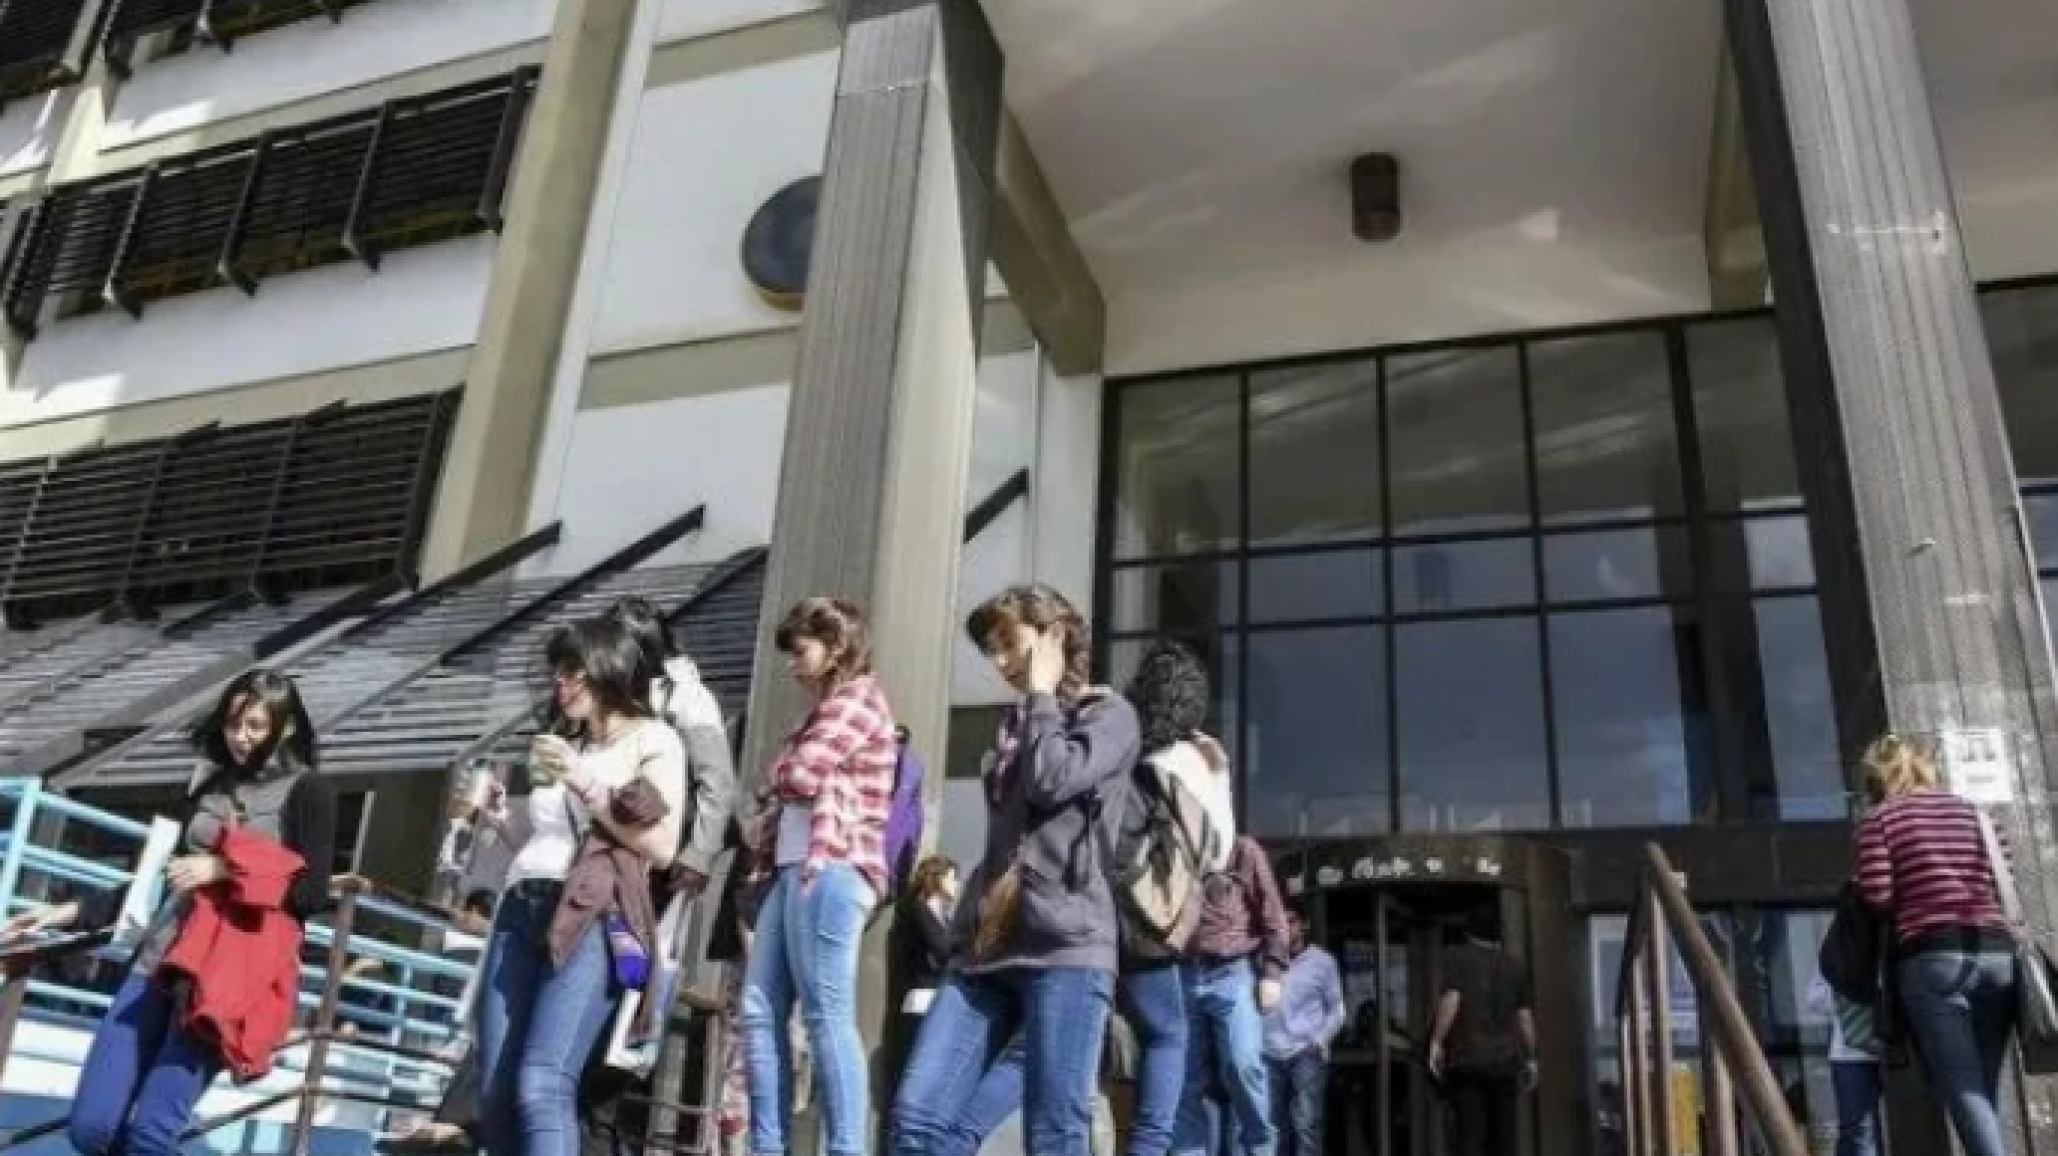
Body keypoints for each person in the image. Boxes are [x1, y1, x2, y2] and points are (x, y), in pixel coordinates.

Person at [2, 669, 338, 1156]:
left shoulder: (310, 791)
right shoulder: (211, 785)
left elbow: (310, 895)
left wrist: (224, 868)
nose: (240, 737)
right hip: (157, 959)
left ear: (285, 727)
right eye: (232, 724)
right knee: (91, 1127)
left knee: (152, 1134)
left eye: (255, 726)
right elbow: (162, 875)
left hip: (225, 978)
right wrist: (67, 911)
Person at [891, 583, 1141, 1156]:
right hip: (988, 947)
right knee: (918, 1123)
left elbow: (1054, 779)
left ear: (1055, 636)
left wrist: (1043, 696)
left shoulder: (1110, 715)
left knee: (1053, 1135)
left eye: (1010, 643)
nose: (1001, 662)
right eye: (991, 650)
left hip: (1067, 946)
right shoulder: (1017, 726)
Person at [473, 617, 687, 1156]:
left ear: (608, 669)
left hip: (590, 914)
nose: (562, 685)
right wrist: (502, 819)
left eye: (575, 673)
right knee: (496, 1091)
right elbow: (548, 838)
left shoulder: (654, 739)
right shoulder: (572, 744)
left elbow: (660, 844)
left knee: (543, 1084)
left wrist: (583, 780)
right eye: (557, 674)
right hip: (522, 905)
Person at [739, 597, 898, 1156]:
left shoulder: (857, 700)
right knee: (758, 1010)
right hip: (795, 867)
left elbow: (798, 776)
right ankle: (768, 1145)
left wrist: (781, 770)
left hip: (832, 865)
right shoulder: (824, 711)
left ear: (836, 648)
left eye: (801, 649)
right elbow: (783, 780)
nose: (792, 663)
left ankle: (847, 1148)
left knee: (826, 1014)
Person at [1854, 733, 2016, 1156]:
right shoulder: (1976, 813)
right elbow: (2005, 878)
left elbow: (1878, 896)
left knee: (1961, 1087)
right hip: (1997, 953)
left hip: (1933, 960)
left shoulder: (1881, 819)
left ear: (1879, 776)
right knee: (1981, 1089)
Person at [1174, 834, 1289, 1156]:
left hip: (1232, 970)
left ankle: (1261, 1148)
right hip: (1181, 971)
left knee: (1241, 1065)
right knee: (1183, 1082)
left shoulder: (1242, 849)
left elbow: (1274, 914)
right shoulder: (1173, 845)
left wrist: (1273, 973)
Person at [1427, 909, 1535, 1156]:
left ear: (1469, 933)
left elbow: (1452, 1000)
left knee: (1471, 1137)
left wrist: (1436, 1042)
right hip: (1505, 1064)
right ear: (1498, 936)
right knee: (1505, 1139)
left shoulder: (1457, 957)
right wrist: (1531, 1058)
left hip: (1468, 1062)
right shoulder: (1513, 966)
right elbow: (1525, 1019)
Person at [1263, 904, 1345, 1156]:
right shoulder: (1265, 959)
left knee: (1306, 1124)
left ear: (1305, 924)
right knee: (1271, 1126)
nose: (1286, 928)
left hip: (1305, 1051)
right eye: (1281, 922)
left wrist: (1319, 1041)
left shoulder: (1322, 962)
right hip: (1268, 1051)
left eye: (1292, 921)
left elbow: (1337, 1010)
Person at [1807, 968, 1883, 1156]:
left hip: (1898, 1049)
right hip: (1850, 1053)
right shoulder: (1840, 946)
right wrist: (1845, 995)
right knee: (1858, 1132)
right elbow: (1814, 998)